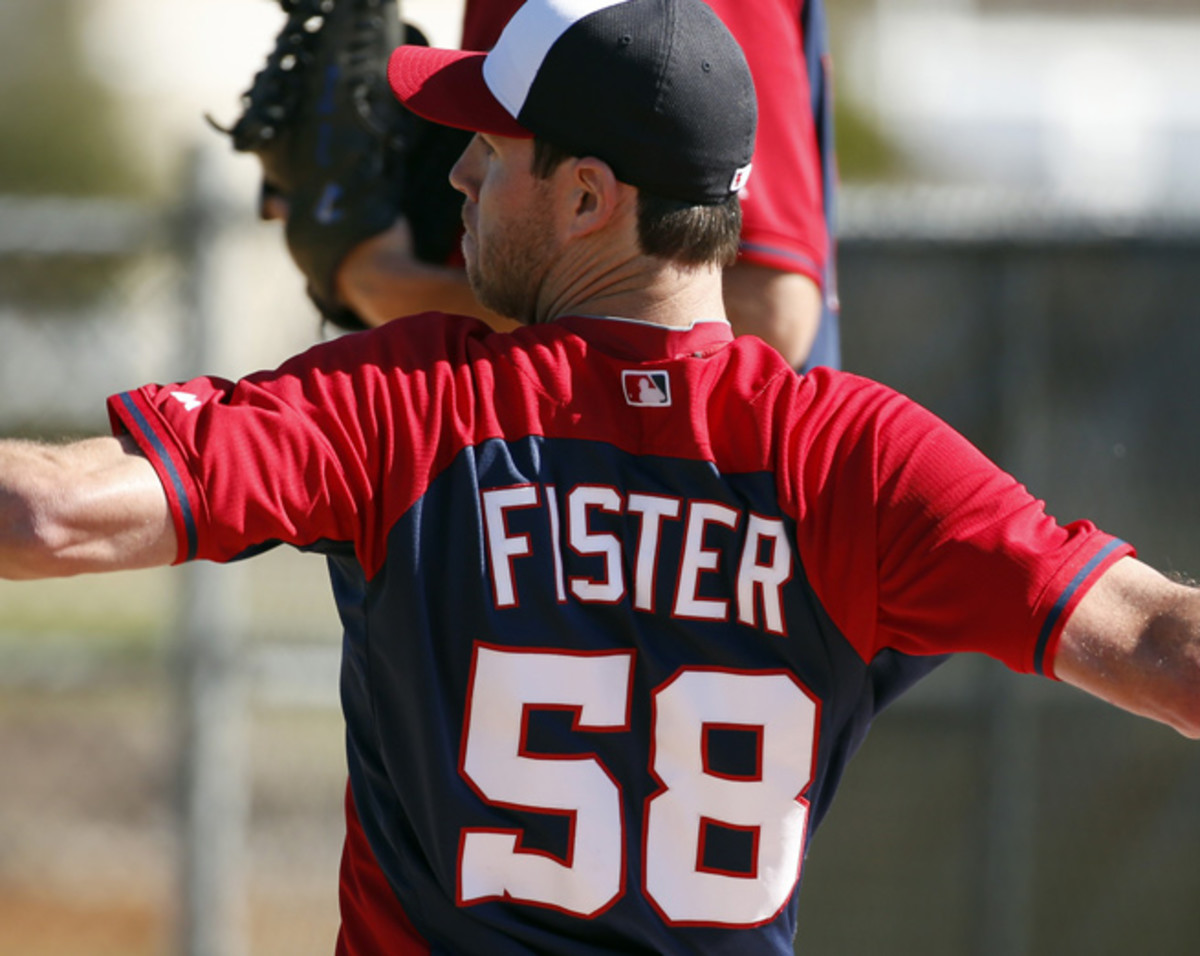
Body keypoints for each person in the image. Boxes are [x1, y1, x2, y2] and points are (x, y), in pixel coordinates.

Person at [3, 2, 1197, 953]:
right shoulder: (854, 455)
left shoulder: (414, 402)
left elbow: (46, 513)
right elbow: (1157, 641)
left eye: (490, 148)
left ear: (587, 195)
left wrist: (376, 281)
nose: (457, 176)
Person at [238, 0, 839, 371]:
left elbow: (765, 314)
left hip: (689, 513)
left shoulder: (653, 26)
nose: (461, 174)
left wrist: (383, 280)